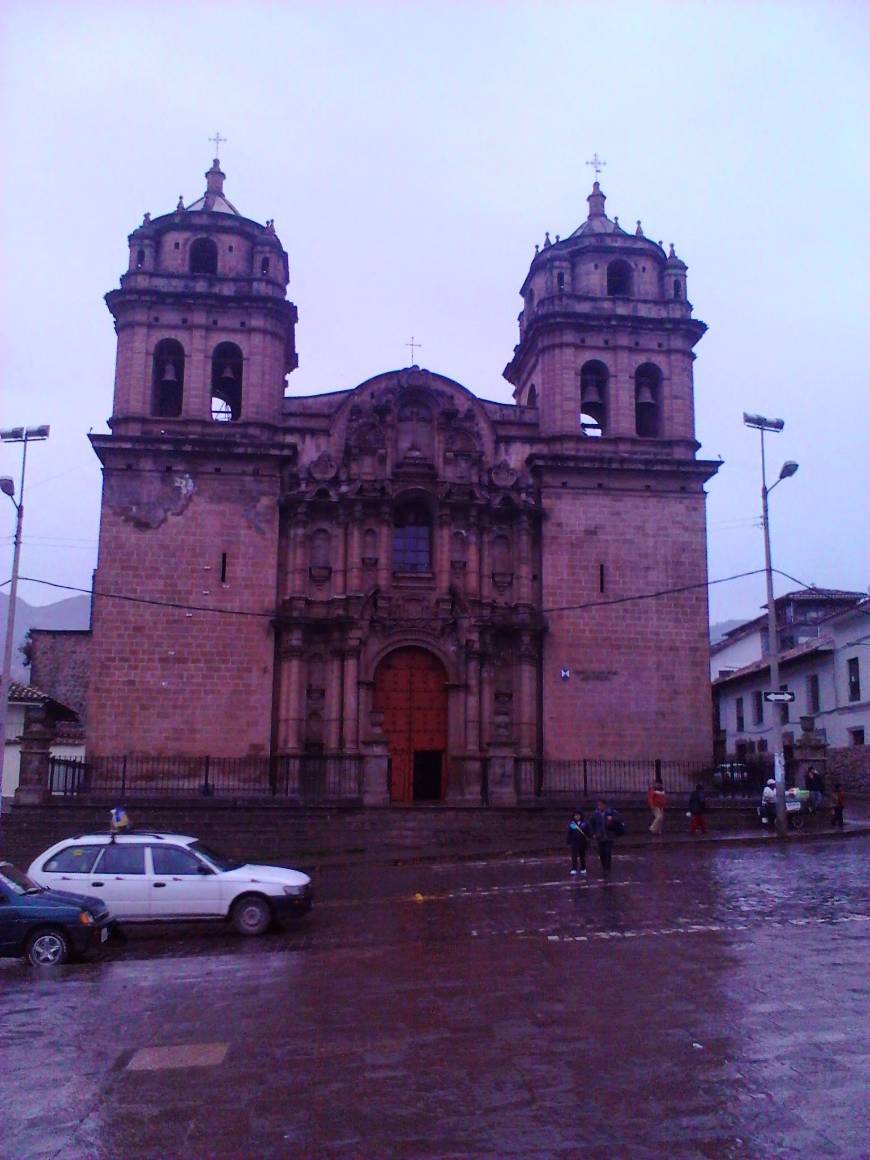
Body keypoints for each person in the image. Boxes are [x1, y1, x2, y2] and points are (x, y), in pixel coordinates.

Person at [588, 798, 619, 873]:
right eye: (598, 805)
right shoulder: (595, 814)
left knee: (608, 852)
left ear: (604, 805)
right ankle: (604, 866)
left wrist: (612, 821)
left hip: (609, 836)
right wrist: (593, 833)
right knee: (602, 853)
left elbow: (618, 820)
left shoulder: (610, 812)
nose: (599, 806)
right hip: (600, 836)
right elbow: (591, 824)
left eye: (601, 805)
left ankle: (608, 867)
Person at [565, 810, 590, 875]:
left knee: (582, 856)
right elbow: (569, 833)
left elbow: (588, 832)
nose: (577, 816)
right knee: (574, 856)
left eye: (578, 815)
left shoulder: (585, 824)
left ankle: (583, 868)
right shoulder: (572, 824)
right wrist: (568, 841)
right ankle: (574, 868)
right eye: (575, 815)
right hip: (574, 842)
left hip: (582, 842)